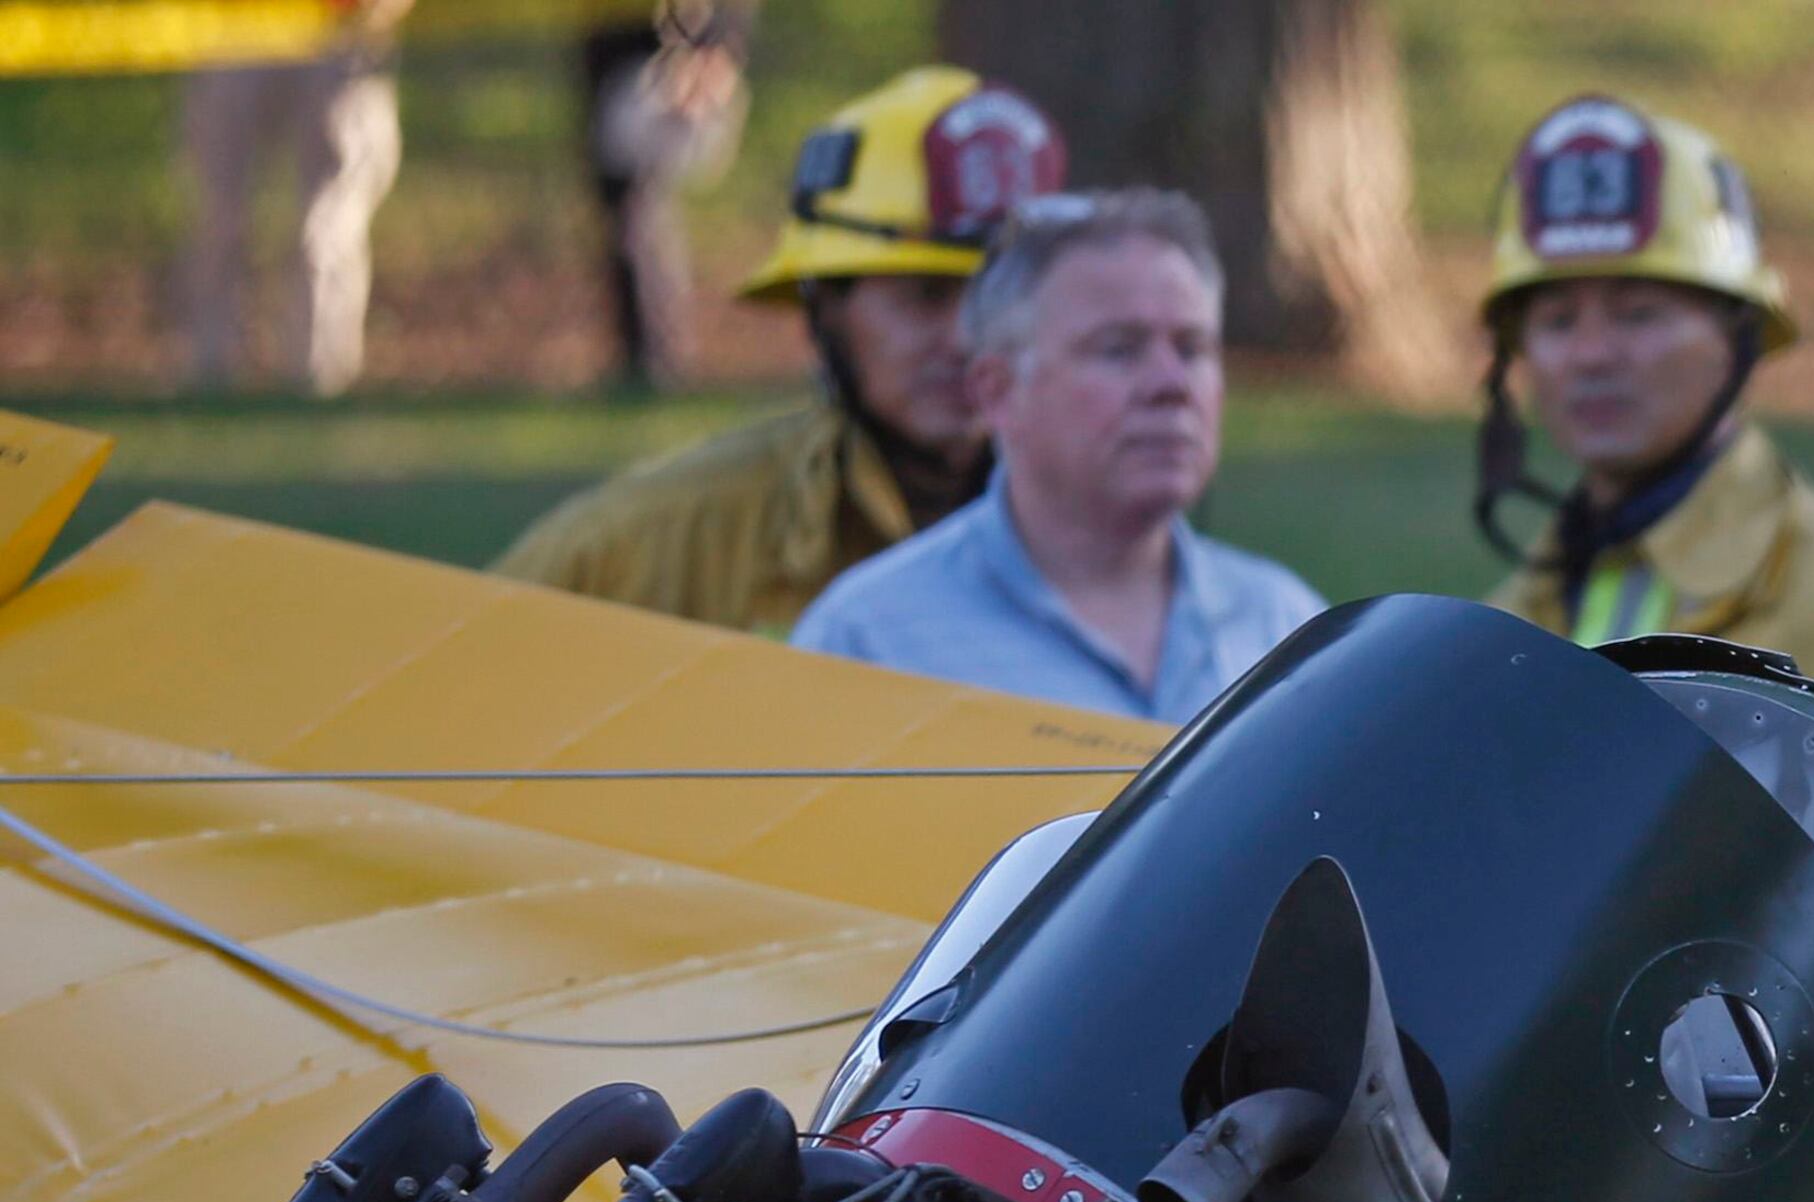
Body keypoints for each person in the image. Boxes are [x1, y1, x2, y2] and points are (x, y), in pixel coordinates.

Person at [493, 66, 1060, 633]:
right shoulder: (658, 542)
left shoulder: (1133, 537)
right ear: (824, 309)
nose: (967, 340)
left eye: (1000, 299)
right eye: (924, 296)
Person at [791, 191, 1324, 724]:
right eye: (1119, 348)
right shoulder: (866, 645)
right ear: (998, 392)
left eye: (1191, 349)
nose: (1171, 385)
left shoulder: (1290, 633)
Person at [1476, 96, 1814, 674]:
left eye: (1638, 314)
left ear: (1740, 338)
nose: (1591, 355)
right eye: (1558, 321)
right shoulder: (1525, 606)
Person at [174, 0, 408, 397]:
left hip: (341, 32)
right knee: (219, 220)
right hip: (235, 28)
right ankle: (209, 379)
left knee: (329, 227)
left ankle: (321, 384)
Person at [576, 2, 754, 394]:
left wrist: (716, 46)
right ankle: (645, 354)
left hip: (677, 50)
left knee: (641, 210)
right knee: (626, 213)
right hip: (613, 48)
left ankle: (658, 355)